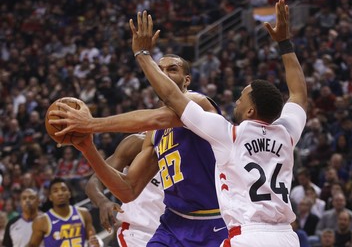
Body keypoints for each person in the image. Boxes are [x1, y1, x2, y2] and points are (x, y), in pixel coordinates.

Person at [128, 0, 307, 246]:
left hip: (248, 234)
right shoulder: (287, 133)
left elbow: (171, 97)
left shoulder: (228, 135)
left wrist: (142, 54)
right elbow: (298, 94)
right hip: (287, 236)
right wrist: (285, 44)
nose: (236, 101)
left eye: (241, 98)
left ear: (251, 110)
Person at [49, 43, 227, 247]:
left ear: (187, 80)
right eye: (159, 70)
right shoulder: (153, 135)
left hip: (211, 221)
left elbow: (159, 117)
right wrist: (87, 147)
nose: (164, 74)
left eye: (172, 69)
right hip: (172, 223)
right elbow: (128, 190)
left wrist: (91, 124)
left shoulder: (199, 102)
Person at [85, 133, 165, 246]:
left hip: (177, 231)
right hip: (140, 234)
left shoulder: (193, 147)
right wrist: (103, 202)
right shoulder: (138, 143)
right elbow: (94, 182)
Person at [27, 177, 102, 247]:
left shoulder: (83, 213)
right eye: (55, 191)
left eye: (63, 189)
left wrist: (95, 243)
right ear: (50, 197)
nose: (60, 193)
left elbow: (92, 239)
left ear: (69, 193)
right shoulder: (41, 221)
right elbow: (32, 245)